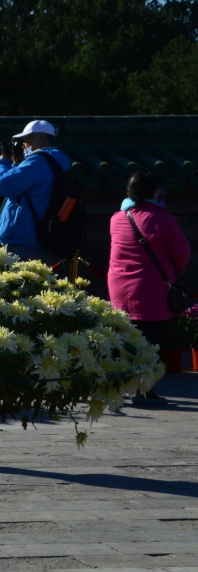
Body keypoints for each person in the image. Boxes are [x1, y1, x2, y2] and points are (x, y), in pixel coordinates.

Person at [108, 171, 191, 406]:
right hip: (151, 289)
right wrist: (172, 274)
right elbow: (182, 252)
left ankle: (121, 385)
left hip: (119, 288)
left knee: (125, 339)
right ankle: (145, 390)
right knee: (151, 342)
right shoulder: (164, 220)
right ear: (155, 192)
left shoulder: (117, 218)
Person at [0, 120, 71, 263]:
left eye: (26, 140)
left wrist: (0, 162)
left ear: (40, 137)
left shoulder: (39, 161)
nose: (23, 146)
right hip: (43, 239)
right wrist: (17, 164)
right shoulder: (57, 161)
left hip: (24, 241)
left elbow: (4, 185)